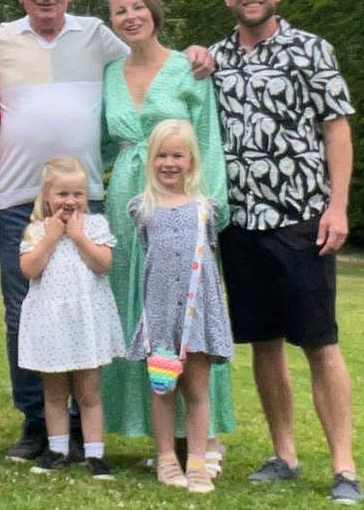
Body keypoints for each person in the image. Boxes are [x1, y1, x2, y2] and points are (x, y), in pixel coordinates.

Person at [0, 0, 214, 461]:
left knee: (86, 310)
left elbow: (149, 52)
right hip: (19, 202)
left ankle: (85, 427)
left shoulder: (97, 36)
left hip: (88, 201)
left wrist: (197, 53)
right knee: (25, 315)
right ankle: (37, 425)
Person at [210, 0, 363, 505]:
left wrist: (337, 207)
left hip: (302, 220)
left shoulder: (311, 49)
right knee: (264, 343)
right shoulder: (215, 60)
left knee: (320, 342)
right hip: (240, 225)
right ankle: (285, 456)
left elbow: (336, 129)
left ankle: (344, 467)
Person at [101, 0, 233, 475]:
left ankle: (205, 437)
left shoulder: (188, 68)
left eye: (137, 7)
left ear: (155, 12)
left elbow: (208, 140)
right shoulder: (110, 73)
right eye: (120, 11)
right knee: (142, 313)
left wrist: (210, 209)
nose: (130, 17)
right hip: (128, 206)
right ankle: (156, 435)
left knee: (191, 313)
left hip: (183, 209)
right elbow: (99, 141)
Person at [126, 120, 234, 494]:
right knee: (163, 390)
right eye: (162, 155)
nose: (169, 163)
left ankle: (198, 462)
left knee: (198, 389)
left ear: (191, 161)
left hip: (196, 316)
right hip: (160, 317)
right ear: (151, 160)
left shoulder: (206, 209)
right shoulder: (143, 208)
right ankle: (167, 457)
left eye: (177, 155)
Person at [18, 157, 124, 481]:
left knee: (89, 392)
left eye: (77, 194)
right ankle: (57, 450)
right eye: (62, 194)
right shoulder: (37, 231)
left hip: (85, 324)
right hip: (52, 324)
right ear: (47, 196)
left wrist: (78, 237)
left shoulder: (95, 227)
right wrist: (51, 238)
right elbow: (29, 269)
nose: (70, 201)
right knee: (54, 393)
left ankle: (95, 454)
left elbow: (103, 263)